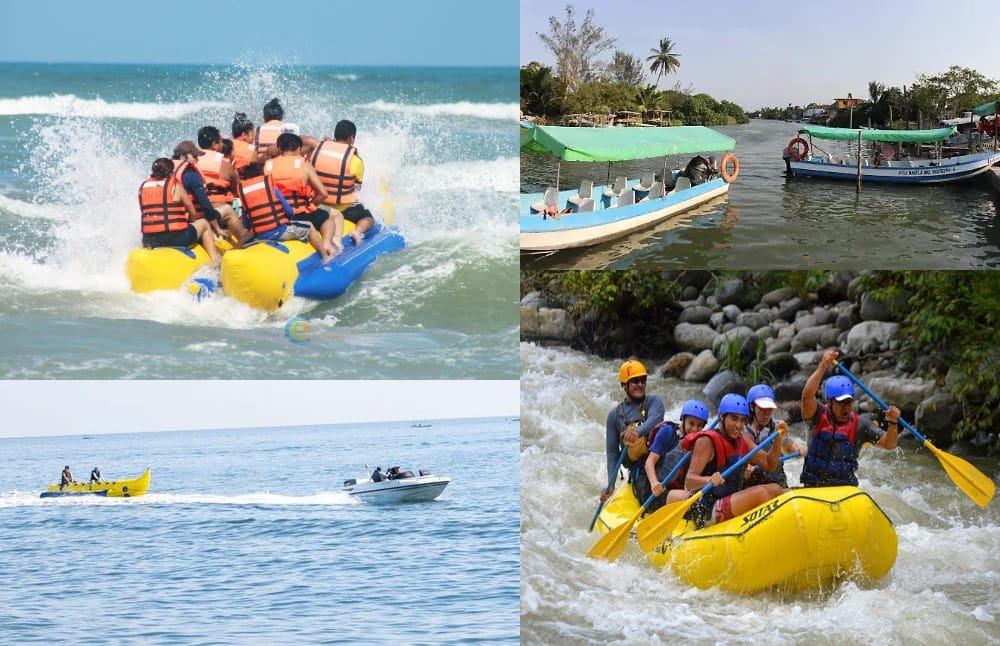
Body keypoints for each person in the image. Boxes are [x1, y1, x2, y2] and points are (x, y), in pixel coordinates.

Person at [680, 393, 786, 528]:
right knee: (761, 494)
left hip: (732, 497)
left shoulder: (742, 438)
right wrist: (709, 480)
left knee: (776, 489)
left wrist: (778, 439)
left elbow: (770, 464)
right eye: (734, 419)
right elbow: (689, 482)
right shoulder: (706, 441)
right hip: (707, 508)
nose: (739, 425)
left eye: (743, 420)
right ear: (721, 417)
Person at [800, 349, 900, 487]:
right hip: (813, 487)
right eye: (841, 402)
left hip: (844, 489)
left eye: (848, 402)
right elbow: (807, 396)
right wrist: (823, 366)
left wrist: (893, 423)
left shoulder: (860, 424)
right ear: (829, 402)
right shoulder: (816, 415)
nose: (846, 407)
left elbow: (890, 445)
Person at [600, 359, 666, 503]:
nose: (640, 385)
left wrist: (637, 432)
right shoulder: (614, 416)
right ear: (624, 384)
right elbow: (612, 453)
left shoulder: (654, 402)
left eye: (643, 380)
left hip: (661, 460)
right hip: (640, 468)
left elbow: (655, 419)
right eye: (635, 381)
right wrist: (610, 484)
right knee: (651, 499)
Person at [263, 133, 340, 257]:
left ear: (278, 149)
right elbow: (323, 193)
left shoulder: (268, 166)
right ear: (299, 149)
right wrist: (311, 205)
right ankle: (326, 243)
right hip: (301, 213)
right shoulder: (304, 165)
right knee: (328, 220)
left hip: (277, 215)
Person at [237, 163, 330, 260]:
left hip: (260, 236)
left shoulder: (244, 194)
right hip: (280, 231)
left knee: (245, 237)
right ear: (262, 175)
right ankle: (325, 257)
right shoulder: (271, 188)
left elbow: (246, 224)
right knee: (310, 227)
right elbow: (289, 211)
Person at [632, 399, 709, 513]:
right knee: (693, 500)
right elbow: (649, 462)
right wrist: (654, 484)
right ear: (683, 419)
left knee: (702, 498)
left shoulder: (700, 441)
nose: (694, 429)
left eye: (699, 426)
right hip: (652, 489)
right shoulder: (668, 432)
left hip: (672, 488)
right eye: (691, 423)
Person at [139, 157, 219, 264]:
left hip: (150, 241)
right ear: (171, 172)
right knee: (204, 223)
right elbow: (193, 213)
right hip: (176, 239)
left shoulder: (143, 187)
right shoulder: (176, 187)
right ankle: (215, 262)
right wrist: (189, 220)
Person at [310, 119, 370, 245]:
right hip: (342, 208)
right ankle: (358, 231)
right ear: (351, 138)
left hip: (318, 204)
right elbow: (357, 188)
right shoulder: (355, 160)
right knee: (367, 217)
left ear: (335, 136)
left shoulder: (317, 150)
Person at [743, 383, 805, 487]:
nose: (767, 413)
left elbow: (791, 449)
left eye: (769, 408)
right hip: (753, 488)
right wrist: (745, 474)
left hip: (778, 484)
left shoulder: (777, 427)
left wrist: (800, 451)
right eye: (762, 408)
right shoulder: (742, 432)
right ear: (752, 407)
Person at [196, 126, 247, 240]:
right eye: (221, 142)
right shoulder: (225, 166)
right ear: (214, 144)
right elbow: (237, 192)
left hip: (195, 213)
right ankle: (245, 240)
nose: (223, 145)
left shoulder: (189, 163)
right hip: (218, 213)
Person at [171, 141, 227, 240]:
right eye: (194, 157)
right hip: (191, 221)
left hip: (172, 223)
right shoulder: (191, 174)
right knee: (228, 210)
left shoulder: (168, 172)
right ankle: (243, 243)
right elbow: (204, 203)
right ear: (182, 158)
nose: (197, 160)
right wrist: (217, 227)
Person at [253, 98, 319, 162]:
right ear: (281, 117)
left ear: (264, 117)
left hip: (260, 167)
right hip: (281, 166)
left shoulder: (255, 131)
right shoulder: (288, 131)